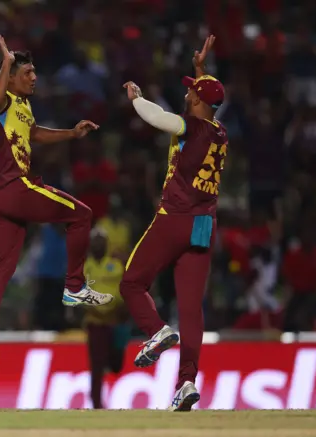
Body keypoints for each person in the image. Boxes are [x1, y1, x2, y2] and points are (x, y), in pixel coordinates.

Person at [0, 35, 113, 381]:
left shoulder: (23, 106)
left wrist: (71, 134)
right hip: (14, 187)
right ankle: (74, 286)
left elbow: (34, 134)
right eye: (28, 72)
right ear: (13, 76)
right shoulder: (2, 102)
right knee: (83, 215)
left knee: (1, 268)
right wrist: (4, 64)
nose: (35, 77)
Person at [120, 35, 228, 411]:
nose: (186, 94)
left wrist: (135, 97)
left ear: (197, 99)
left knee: (132, 282)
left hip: (175, 218)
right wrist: (200, 70)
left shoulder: (191, 127)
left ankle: (156, 331)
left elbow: (157, 117)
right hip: (203, 224)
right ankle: (186, 383)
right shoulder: (218, 132)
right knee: (191, 307)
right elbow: (207, 99)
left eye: (190, 91)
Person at [83, 228, 130, 409]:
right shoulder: (85, 266)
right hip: (95, 322)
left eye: (101, 241)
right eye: (95, 241)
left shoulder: (116, 265)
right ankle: (96, 403)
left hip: (115, 321)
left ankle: (114, 362)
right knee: (96, 365)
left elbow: (126, 287)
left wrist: (123, 308)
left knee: (116, 364)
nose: (98, 244)